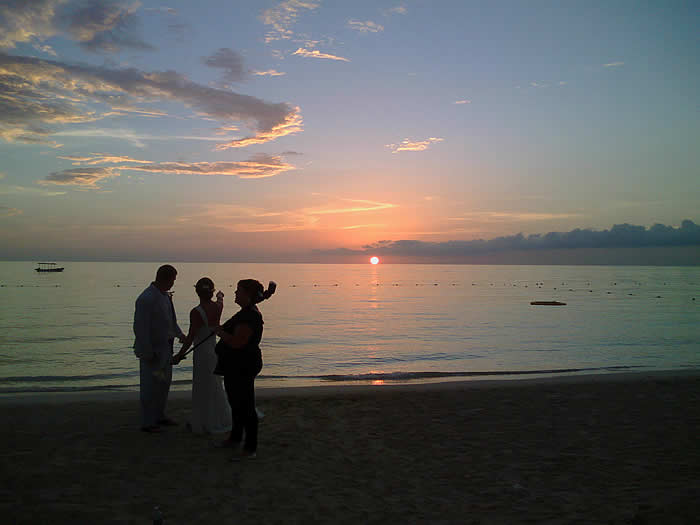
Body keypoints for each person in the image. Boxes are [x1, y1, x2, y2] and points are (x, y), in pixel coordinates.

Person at [214, 279, 276, 459]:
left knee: (245, 405)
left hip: (243, 365)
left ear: (247, 295)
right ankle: (235, 437)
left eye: (238, 291)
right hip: (236, 364)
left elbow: (237, 342)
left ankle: (250, 448)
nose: (235, 293)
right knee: (235, 402)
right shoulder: (247, 312)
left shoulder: (249, 316)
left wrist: (220, 332)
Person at [173, 278, 232, 435]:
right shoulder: (218, 307)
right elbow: (220, 300)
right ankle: (220, 417)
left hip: (201, 354)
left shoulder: (196, 312)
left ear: (197, 292)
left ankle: (204, 420)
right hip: (214, 350)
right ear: (211, 292)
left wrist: (179, 354)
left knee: (202, 385)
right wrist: (220, 295)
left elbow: (191, 337)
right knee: (215, 384)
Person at [133, 264, 185, 433]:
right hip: (152, 351)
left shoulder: (165, 297)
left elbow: (171, 321)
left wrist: (181, 336)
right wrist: (148, 352)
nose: (173, 284)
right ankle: (147, 422)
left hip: (166, 348)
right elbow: (140, 328)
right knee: (150, 385)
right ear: (165, 278)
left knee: (163, 384)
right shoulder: (146, 298)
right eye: (173, 280)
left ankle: (160, 415)